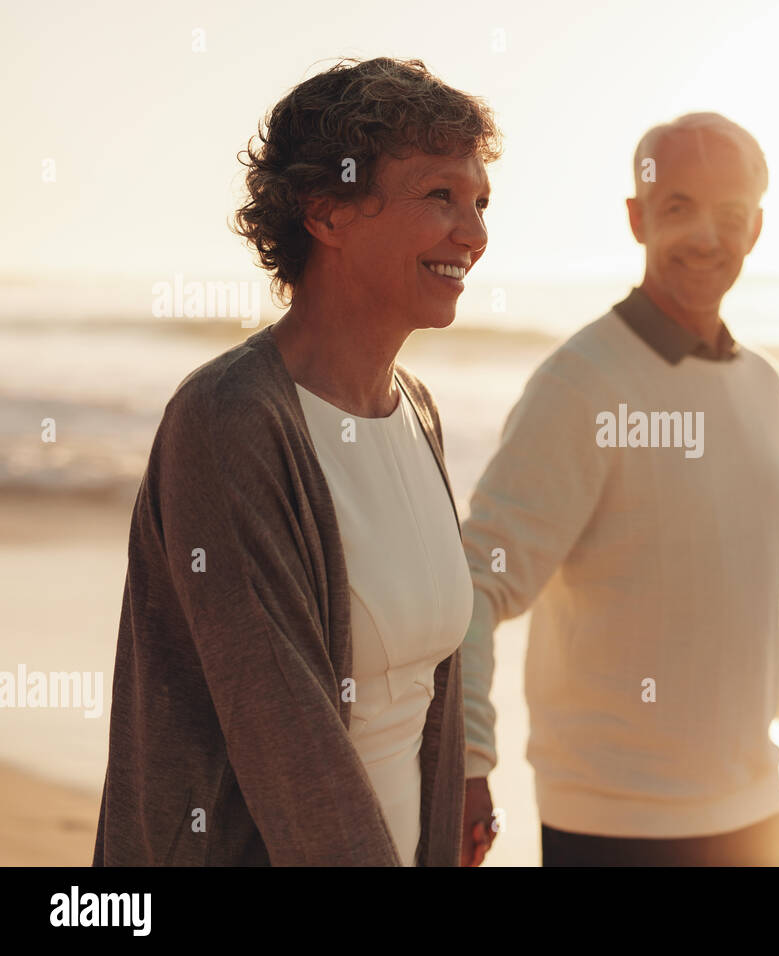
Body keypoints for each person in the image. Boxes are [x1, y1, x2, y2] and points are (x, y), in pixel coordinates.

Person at [93, 57, 500, 866]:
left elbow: (424, 694)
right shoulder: (229, 421)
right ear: (327, 212)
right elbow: (282, 728)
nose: (475, 233)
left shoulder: (416, 410)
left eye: (481, 202)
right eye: (440, 197)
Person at [458, 112, 779, 867]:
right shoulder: (579, 385)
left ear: (756, 230)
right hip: (614, 827)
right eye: (678, 208)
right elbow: (477, 583)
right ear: (636, 219)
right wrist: (470, 764)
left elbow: (770, 590)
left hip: (756, 812)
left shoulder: (762, 386)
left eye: (730, 216)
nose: (706, 236)